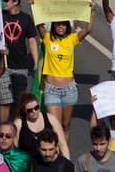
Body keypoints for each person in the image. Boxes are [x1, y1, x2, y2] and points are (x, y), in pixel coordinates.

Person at [40, 10, 92, 138]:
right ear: (53, 25)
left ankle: (65, 151)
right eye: (58, 24)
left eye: (63, 24)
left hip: (69, 90)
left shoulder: (72, 39)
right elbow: (38, 24)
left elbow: (88, 29)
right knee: (55, 126)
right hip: (51, 90)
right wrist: (33, 6)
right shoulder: (47, 38)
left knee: (65, 125)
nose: (60, 27)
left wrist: (92, 11)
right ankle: (56, 150)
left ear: (67, 26)